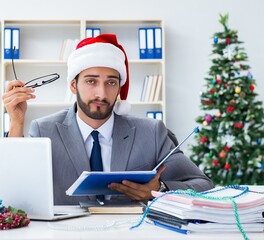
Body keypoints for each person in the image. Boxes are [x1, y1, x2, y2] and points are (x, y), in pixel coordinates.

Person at [2, 34, 213, 205]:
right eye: (91, 81)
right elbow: (16, 190)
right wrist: (16, 123)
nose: (101, 93)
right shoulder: (43, 130)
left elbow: (202, 184)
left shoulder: (152, 132)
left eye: (111, 83)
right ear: (73, 86)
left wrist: (160, 190)